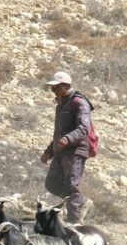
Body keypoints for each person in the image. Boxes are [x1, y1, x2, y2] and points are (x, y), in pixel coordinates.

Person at [40, 71, 93, 224]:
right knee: (52, 184)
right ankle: (81, 201)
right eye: (52, 89)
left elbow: (84, 128)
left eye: (56, 88)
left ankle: (73, 222)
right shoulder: (60, 105)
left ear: (66, 86)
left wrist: (69, 138)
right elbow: (58, 133)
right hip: (61, 152)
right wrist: (49, 152)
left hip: (75, 150)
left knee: (71, 186)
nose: (54, 92)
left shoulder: (80, 102)